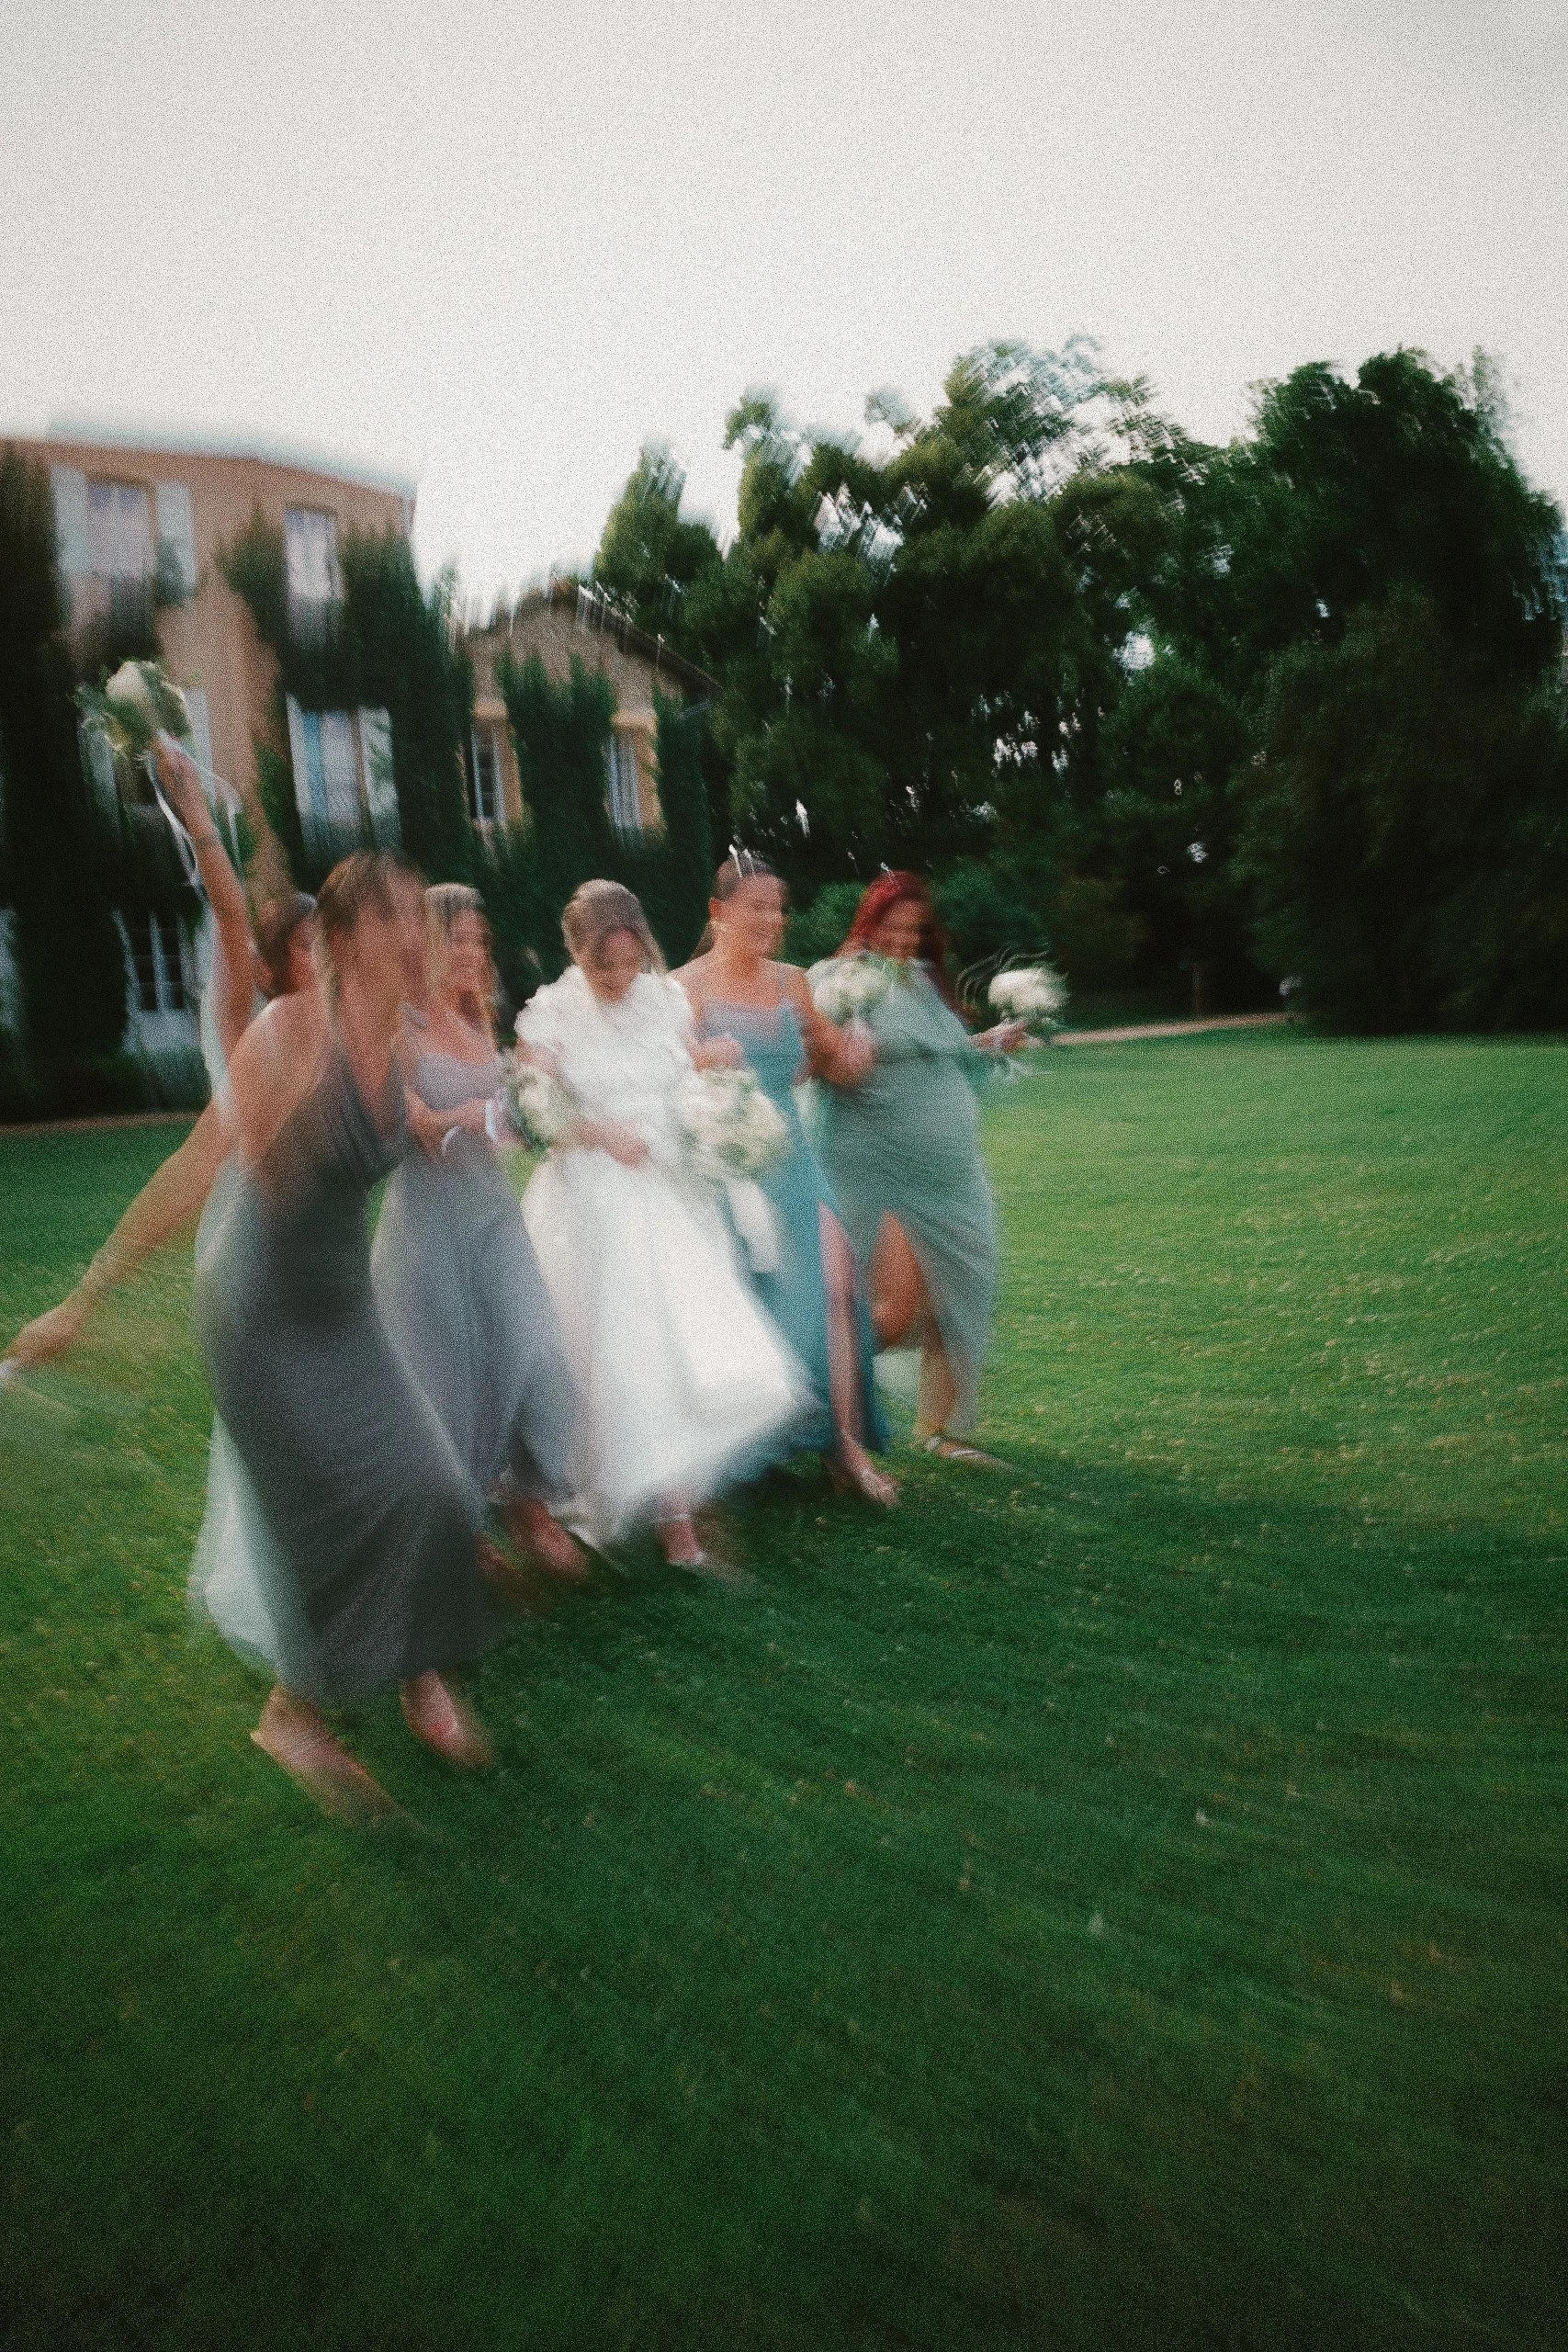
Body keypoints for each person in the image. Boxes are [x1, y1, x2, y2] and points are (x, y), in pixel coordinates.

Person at [193, 851, 493, 1815]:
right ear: (345, 937)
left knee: (434, 1485)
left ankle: (418, 1672)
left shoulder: (396, 1037)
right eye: (392, 916)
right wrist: (86, 1298)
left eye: (419, 913)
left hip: (344, 1310)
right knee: (322, 1521)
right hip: (261, 1317)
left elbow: (424, 1113)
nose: (416, 933)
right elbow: (199, 1165)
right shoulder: (288, 1033)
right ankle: (294, 1713)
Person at [516, 878, 807, 1566]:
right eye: (604, 963)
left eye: (629, 959)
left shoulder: (665, 1000)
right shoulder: (552, 1013)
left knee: (684, 1344)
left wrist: (712, 1068)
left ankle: (680, 1512)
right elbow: (534, 1105)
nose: (620, 975)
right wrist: (596, 1132)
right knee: (623, 1349)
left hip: (671, 1189)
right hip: (594, 1196)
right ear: (578, 952)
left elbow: (675, 1073)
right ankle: (648, 1508)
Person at [2, 742, 317, 1374]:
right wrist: (199, 820)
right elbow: (234, 918)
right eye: (311, 947)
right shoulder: (245, 1026)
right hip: (247, 1240)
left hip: (310, 1244)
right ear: (273, 967)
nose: (330, 962)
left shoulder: (329, 1041)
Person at [371, 883, 583, 1581]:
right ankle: (460, 1531)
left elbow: (513, 1121)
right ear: (425, 946)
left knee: (536, 1351)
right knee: (447, 1377)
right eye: (455, 939)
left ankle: (531, 1505)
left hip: (494, 1217)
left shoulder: (481, 1019)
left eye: (478, 940)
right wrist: (455, 1117)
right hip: (427, 1223)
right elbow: (406, 1127)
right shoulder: (399, 1027)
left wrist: (523, 1112)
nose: (470, 953)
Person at [675, 854, 897, 1507]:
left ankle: (845, 1448)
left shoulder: (794, 983)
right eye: (756, 907)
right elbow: (663, 1079)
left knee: (835, 1287)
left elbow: (834, 1065)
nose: (771, 919)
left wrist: (858, 1044)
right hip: (726, 1169)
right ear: (718, 912)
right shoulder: (681, 988)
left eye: (777, 907)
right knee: (751, 1304)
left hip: (793, 1159)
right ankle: (752, 1445)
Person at [811, 872, 1026, 1460]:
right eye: (893, 927)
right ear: (870, 923)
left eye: (914, 930)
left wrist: (991, 1042)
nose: (903, 941)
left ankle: (942, 1430)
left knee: (968, 1288)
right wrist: (844, 1056)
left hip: (952, 1172)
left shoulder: (926, 981)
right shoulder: (836, 980)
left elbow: (945, 1058)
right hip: (873, 1170)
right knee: (883, 1314)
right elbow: (822, 1061)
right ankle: (823, 1405)